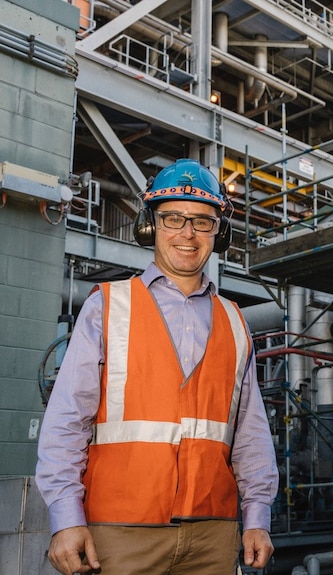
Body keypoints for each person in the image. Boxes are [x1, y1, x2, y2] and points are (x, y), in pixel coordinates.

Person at [35, 159, 279, 575]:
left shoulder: (236, 321)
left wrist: (257, 515)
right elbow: (66, 420)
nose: (187, 233)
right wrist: (65, 516)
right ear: (150, 226)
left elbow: (250, 430)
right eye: (172, 218)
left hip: (212, 534)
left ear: (220, 233)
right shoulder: (107, 306)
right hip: (118, 531)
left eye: (203, 222)